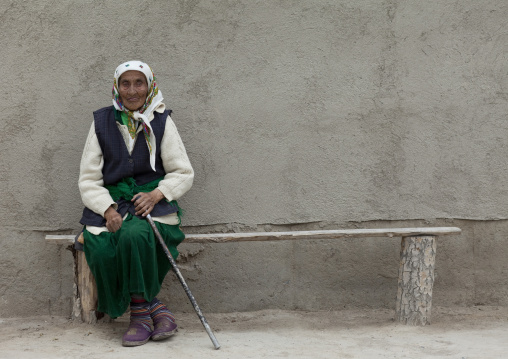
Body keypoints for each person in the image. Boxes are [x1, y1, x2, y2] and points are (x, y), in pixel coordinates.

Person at [78, 60, 194, 347]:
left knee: (136, 234)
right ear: (117, 87)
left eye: (138, 83)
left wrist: (157, 194)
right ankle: (153, 307)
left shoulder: (162, 119)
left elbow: (183, 171)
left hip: (151, 203)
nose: (132, 90)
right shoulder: (102, 121)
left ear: (149, 85)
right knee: (103, 247)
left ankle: (139, 314)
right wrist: (106, 208)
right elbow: (89, 178)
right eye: (125, 84)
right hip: (114, 202)